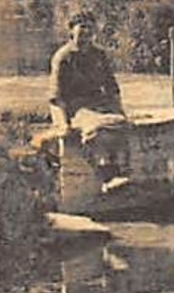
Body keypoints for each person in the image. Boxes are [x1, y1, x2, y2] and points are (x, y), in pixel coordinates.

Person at [49, 12, 130, 187]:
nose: (85, 38)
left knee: (120, 123)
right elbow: (56, 97)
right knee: (95, 127)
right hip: (76, 107)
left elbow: (111, 87)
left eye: (89, 33)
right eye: (81, 33)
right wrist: (63, 124)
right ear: (72, 33)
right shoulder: (63, 58)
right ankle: (105, 174)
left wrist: (119, 109)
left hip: (99, 104)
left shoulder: (99, 54)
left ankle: (121, 170)